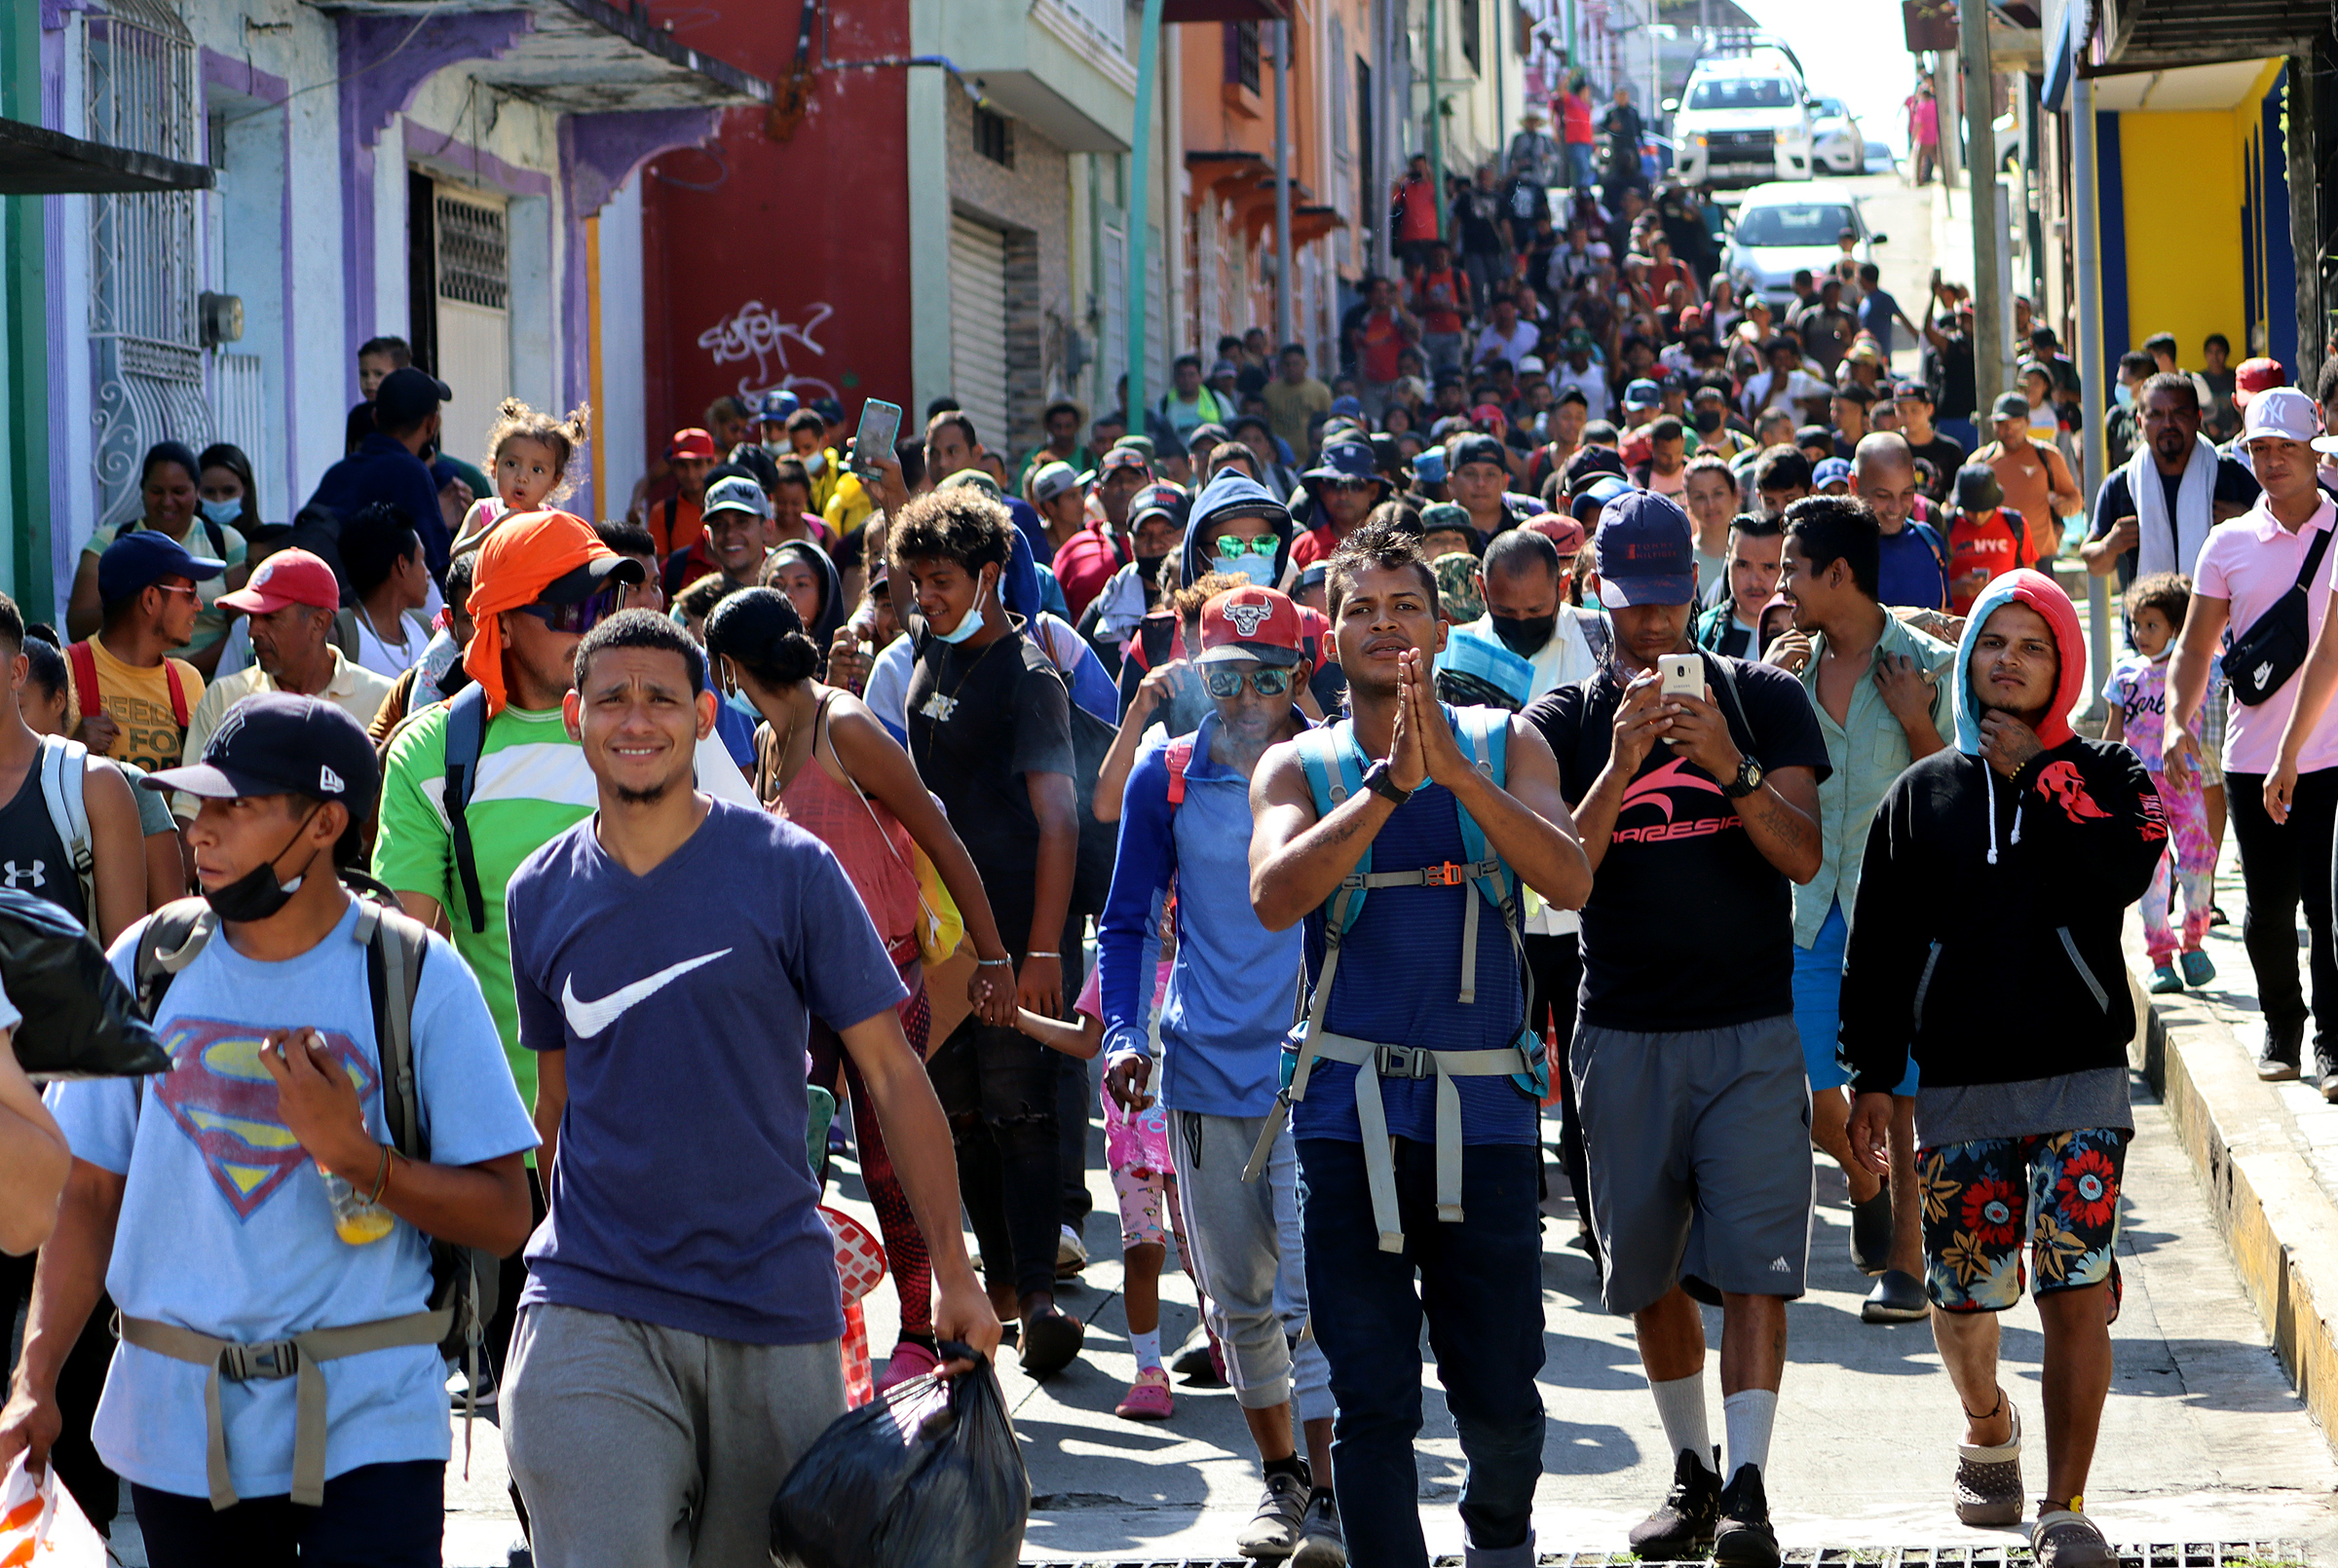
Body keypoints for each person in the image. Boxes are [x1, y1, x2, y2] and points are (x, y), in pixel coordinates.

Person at [492, 609, 998, 1566]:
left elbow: (891, 1071)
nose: (635, 719)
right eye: (611, 699)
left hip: (769, 1306)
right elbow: (554, 1109)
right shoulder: (539, 891)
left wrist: (954, 1270)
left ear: (705, 715)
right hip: (592, 1299)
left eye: (661, 699)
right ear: (573, 717)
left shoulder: (789, 868)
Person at [0, 692, 536, 1561]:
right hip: (179, 1426)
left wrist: (358, 1157)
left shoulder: (415, 976)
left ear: (325, 823)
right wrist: (36, 1378)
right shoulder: (143, 966)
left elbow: (507, 1214)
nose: (198, 832)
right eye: (196, 805)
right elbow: (88, 1192)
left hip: (372, 1420)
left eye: (234, 807)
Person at [1249, 519, 1589, 1568]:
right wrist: (1389, 785)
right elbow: (1274, 894)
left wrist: (1454, 774)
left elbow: (1571, 880)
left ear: (1442, 628)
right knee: (1371, 1389)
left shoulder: (1510, 741)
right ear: (1329, 634)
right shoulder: (1298, 762)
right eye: (1361, 608)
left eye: (1405, 607)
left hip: (1484, 1115)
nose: (1385, 626)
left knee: (1499, 1387)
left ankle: (1498, 1543)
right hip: (1347, 1117)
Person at [373, 510, 758, 1399]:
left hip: (687, 1117)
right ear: (500, 623)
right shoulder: (436, 753)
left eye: (605, 598)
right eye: (568, 606)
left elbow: (753, 885)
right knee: (541, 1390)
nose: (596, 622)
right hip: (516, 1137)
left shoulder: (657, 720)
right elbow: (411, 955)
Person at [1527, 490, 1829, 1564]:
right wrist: (1621, 759)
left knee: (1755, 1266)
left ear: (1694, 592)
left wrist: (1728, 766)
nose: (1651, 626)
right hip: (1622, 1028)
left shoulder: (1764, 700)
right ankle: (1692, 1471)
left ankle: (1748, 1486)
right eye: (1629, 605)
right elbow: (1562, 875)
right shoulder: (1560, 723)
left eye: (1666, 601)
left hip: (1748, 1025)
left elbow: (1801, 854)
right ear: (1594, 598)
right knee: (1648, 1271)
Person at [1840, 570, 2166, 1556]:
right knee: (1965, 1296)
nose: (2009, 659)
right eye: (1994, 640)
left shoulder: (2109, 775)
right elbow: (1882, 944)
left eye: (2033, 643)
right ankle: (1988, 1424)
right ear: (1969, 656)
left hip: (2081, 1073)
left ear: (2062, 663)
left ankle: (2066, 1506)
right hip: (1960, 1080)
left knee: (2076, 1282)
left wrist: (2046, 780)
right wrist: (1870, 1075)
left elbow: (2130, 866)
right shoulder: (1921, 795)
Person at [1100, 580, 1344, 1550]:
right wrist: (1124, 1033)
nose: (1245, 699)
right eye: (1226, 677)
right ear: (1201, 677)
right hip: (1202, 1067)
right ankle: (1279, 1477)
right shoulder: (1168, 777)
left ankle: (1330, 1491)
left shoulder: (1331, 772)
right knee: (1239, 1296)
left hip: (1314, 1066)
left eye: (1268, 678)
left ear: (1298, 679)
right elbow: (1124, 922)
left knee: (1311, 1293)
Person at [881, 481, 1087, 1372]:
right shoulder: (930, 647)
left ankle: (1039, 1296)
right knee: (959, 1113)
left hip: (1013, 932)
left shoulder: (1029, 676)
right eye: (916, 580)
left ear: (993, 575)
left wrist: (1040, 953)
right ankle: (1000, 1290)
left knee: (1022, 1110)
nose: (925, 597)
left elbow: (1063, 821)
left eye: (941, 580)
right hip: (941, 935)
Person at [1762, 499, 1953, 1325]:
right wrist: (1770, 683)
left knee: (1902, 1098)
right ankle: (1864, 1181)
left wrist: (1916, 721)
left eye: (1791, 570)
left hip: (1900, 922)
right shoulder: (1784, 671)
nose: (1780, 586)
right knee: (1814, 1095)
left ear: (1839, 574)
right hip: (1807, 914)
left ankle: (1907, 1265)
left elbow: (1963, 791)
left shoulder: (1932, 667)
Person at [2230, 390, 2338, 1085]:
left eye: (2285, 448)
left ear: (2314, 451)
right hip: (2249, 756)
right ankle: (2282, 1024)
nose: (2271, 462)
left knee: (2328, 907)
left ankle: (2332, 1038)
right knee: (2269, 905)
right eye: (2259, 449)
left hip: (2330, 753)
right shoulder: (2228, 542)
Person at [173, 549, 396, 825]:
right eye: (251, 617)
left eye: (270, 617)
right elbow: (189, 812)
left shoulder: (383, 699)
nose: (253, 631)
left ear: (319, 623)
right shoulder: (224, 698)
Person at [2102, 573, 2218, 995]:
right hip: (2138, 786)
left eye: (2152, 625)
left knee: (2199, 860)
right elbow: (2114, 731)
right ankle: (2161, 956)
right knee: (2152, 869)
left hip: (2184, 780)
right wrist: (2104, 776)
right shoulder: (2124, 674)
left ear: (2176, 626)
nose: (2140, 633)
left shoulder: (2195, 669)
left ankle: (2194, 942)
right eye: (2136, 624)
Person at [66, 442, 249, 680]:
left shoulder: (226, 542)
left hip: (210, 683)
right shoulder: (109, 540)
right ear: (142, 491)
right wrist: (132, 612)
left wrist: (181, 669)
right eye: (157, 491)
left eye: (179, 491)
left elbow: (242, 630)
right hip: (128, 682)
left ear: (197, 492)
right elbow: (77, 624)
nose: (167, 501)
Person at [2080, 373, 2260, 590]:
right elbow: (2093, 562)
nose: (2168, 424)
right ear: (2139, 422)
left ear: (2198, 417)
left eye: (2179, 413)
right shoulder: (2122, 484)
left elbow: (2278, 542)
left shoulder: (2231, 475)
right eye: (2155, 415)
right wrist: (2109, 546)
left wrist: (2248, 522)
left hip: (2221, 620)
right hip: (2145, 620)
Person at [66, 532, 219, 773]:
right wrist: (69, 747)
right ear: (149, 599)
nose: (199, 605)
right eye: (190, 593)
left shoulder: (188, 680)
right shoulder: (65, 671)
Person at [307, 368, 457, 579]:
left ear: (376, 418)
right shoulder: (411, 473)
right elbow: (437, 569)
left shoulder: (337, 473)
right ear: (431, 424)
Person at [450, 398, 592, 559]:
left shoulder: (552, 524)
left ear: (555, 481)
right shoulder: (483, 512)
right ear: (494, 467)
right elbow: (456, 555)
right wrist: (492, 530)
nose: (522, 477)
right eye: (511, 464)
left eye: (537, 470)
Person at [1974, 393, 2081, 563]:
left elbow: (2074, 498)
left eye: (2015, 423)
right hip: (1996, 558)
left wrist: (2066, 507)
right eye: (2001, 424)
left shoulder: (2047, 457)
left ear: (2027, 423)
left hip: (2040, 557)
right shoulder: (1981, 461)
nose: (2008, 430)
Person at [1851, 434, 1951, 612]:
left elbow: (1945, 615)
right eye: (1883, 496)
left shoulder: (1930, 542)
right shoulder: (1836, 549)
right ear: (1854, 485)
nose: (1896, 508)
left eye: (1907, 493)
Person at [338, 504, 436, 680]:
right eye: (422, 559)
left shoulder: (426, 629)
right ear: (402, 564)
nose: (428, 573)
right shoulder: (342, 634)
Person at [1944, 464, 2038, 616]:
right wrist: (1955, 588)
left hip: (2005, 619)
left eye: (1984, 510)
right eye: (1971, 511)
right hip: (1957, 621)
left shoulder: (2016, 525)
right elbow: (1929, 584)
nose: (1978, 516)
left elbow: (2030, 577)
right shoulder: (1946, 526)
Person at [1693, 514, 1786, 658]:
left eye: (1768, 567)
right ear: (1727, 562)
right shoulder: (1703, 633)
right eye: (1743, 566)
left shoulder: (1805, 631)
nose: (1755, 581)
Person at [643, 428, 717, 560]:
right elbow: (662, 572)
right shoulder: (663, 514)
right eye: (683, 466)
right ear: (673, 467)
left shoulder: (725, 508)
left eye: (698, 464)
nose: (691, 474)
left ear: (712, 464)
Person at [1894, 381, 1969, 504]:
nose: (1908, 417)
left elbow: (1956, 493)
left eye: (1914, 410)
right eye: (1902, 411)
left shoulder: (1950, 451)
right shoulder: (1889, 447)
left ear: (1929, 409)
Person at [1409, 241, 1472, 376]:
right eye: (1436, 257)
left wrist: (1453, 307)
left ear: (1448, 256)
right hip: (1432, 333)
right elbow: (1415, 307)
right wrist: (1432, 306)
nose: (1439, 260)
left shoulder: (1458, 276)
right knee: (1433, 372)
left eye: (1442, 256)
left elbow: (1469, 307)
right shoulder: (1423, 279)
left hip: (1453, 332)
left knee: (1454, 372)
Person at [1266, 343, 1336, 459]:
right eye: (1287, 364)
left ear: (1306, 364)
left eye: (1296, 364)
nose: (1291, 369)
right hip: (1281, 458)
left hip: (1312, 457)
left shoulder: (1320, 391)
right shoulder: (1269, 392)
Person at [1905, 80, 1940, 184]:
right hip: (1934, 136)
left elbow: (1917, 124)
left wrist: (1913, 138)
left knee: (1920, 159)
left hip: (1924, 137)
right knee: (1937, 159)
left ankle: (1918, 180)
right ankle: (1946, 178)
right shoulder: (1934, 105)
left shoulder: (1921, 106)